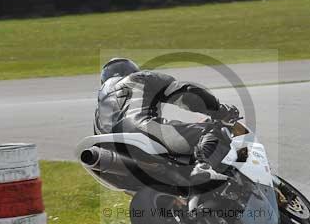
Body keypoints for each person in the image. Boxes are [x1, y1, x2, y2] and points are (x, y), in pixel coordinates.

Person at [94, 57, 239, 182]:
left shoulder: (101, 103)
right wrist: (219, 110)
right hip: (140, 130)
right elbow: (186, 93)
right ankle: (204, 166)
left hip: (106, 150)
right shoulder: (138, 78)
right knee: (215, 131)